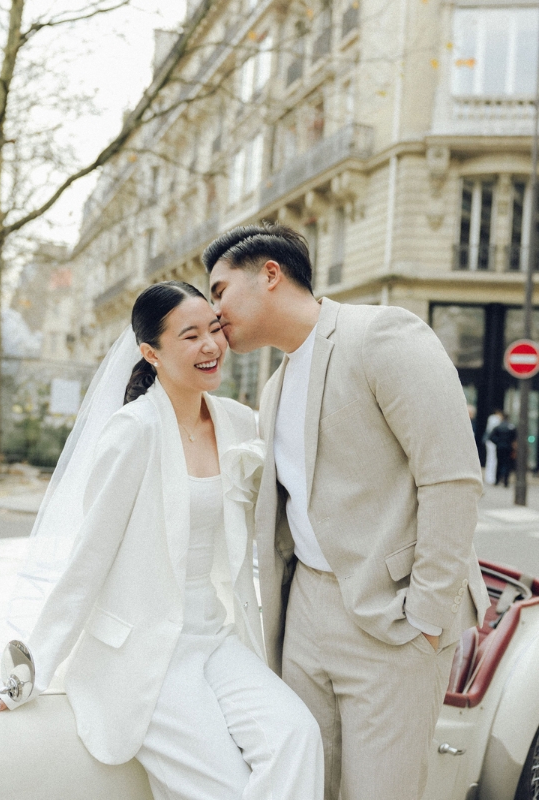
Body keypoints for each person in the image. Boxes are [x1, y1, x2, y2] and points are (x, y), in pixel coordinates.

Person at [0, 282, 323, 798]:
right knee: (226, 786)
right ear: (150, 353)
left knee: (297, 737)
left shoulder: (240, 423)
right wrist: (25, 675)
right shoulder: (132, 433)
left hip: (217, 639)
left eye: (214, 329)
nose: (210, 345)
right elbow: (87, 564)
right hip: (147, 653)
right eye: (190, 335)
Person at [205, 223, 489, 800]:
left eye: (218, 290)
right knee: (311, 788)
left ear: (269, 273)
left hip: (394, 619)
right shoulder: (273, 387)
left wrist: (427, 617)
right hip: (304, 616)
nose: (214, 313)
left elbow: (453, 477)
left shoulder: (381, 334)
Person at [489, 412, 517, 488]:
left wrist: (497, 442)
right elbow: (515, 439)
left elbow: (491, 437)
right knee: (507, 464)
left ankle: (497, 480)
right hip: (508, 448)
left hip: (500, 447)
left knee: (499, 463)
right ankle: (505, 482)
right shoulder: (511, 427)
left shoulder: (498, 427)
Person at [483, 409, 503, 484]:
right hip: (492, 441)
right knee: (492, 459)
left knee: (491, 459)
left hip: (490, 441)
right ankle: (490, 478)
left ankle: (490, 478)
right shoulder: (495, 419)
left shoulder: (491, 419)